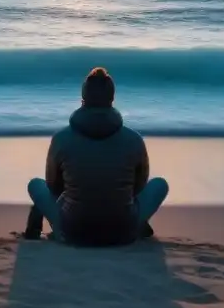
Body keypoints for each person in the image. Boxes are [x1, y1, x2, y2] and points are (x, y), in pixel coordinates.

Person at [23, 67, 169, 245]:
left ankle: (33, 231)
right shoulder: (134, 139)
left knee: (36, 185)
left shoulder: (61, 139)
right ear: (112, 98)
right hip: (123, 233)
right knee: (159, 185)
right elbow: (138, 187)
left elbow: (54, 187)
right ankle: (136, 223)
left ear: (83, 98)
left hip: (73, 232)